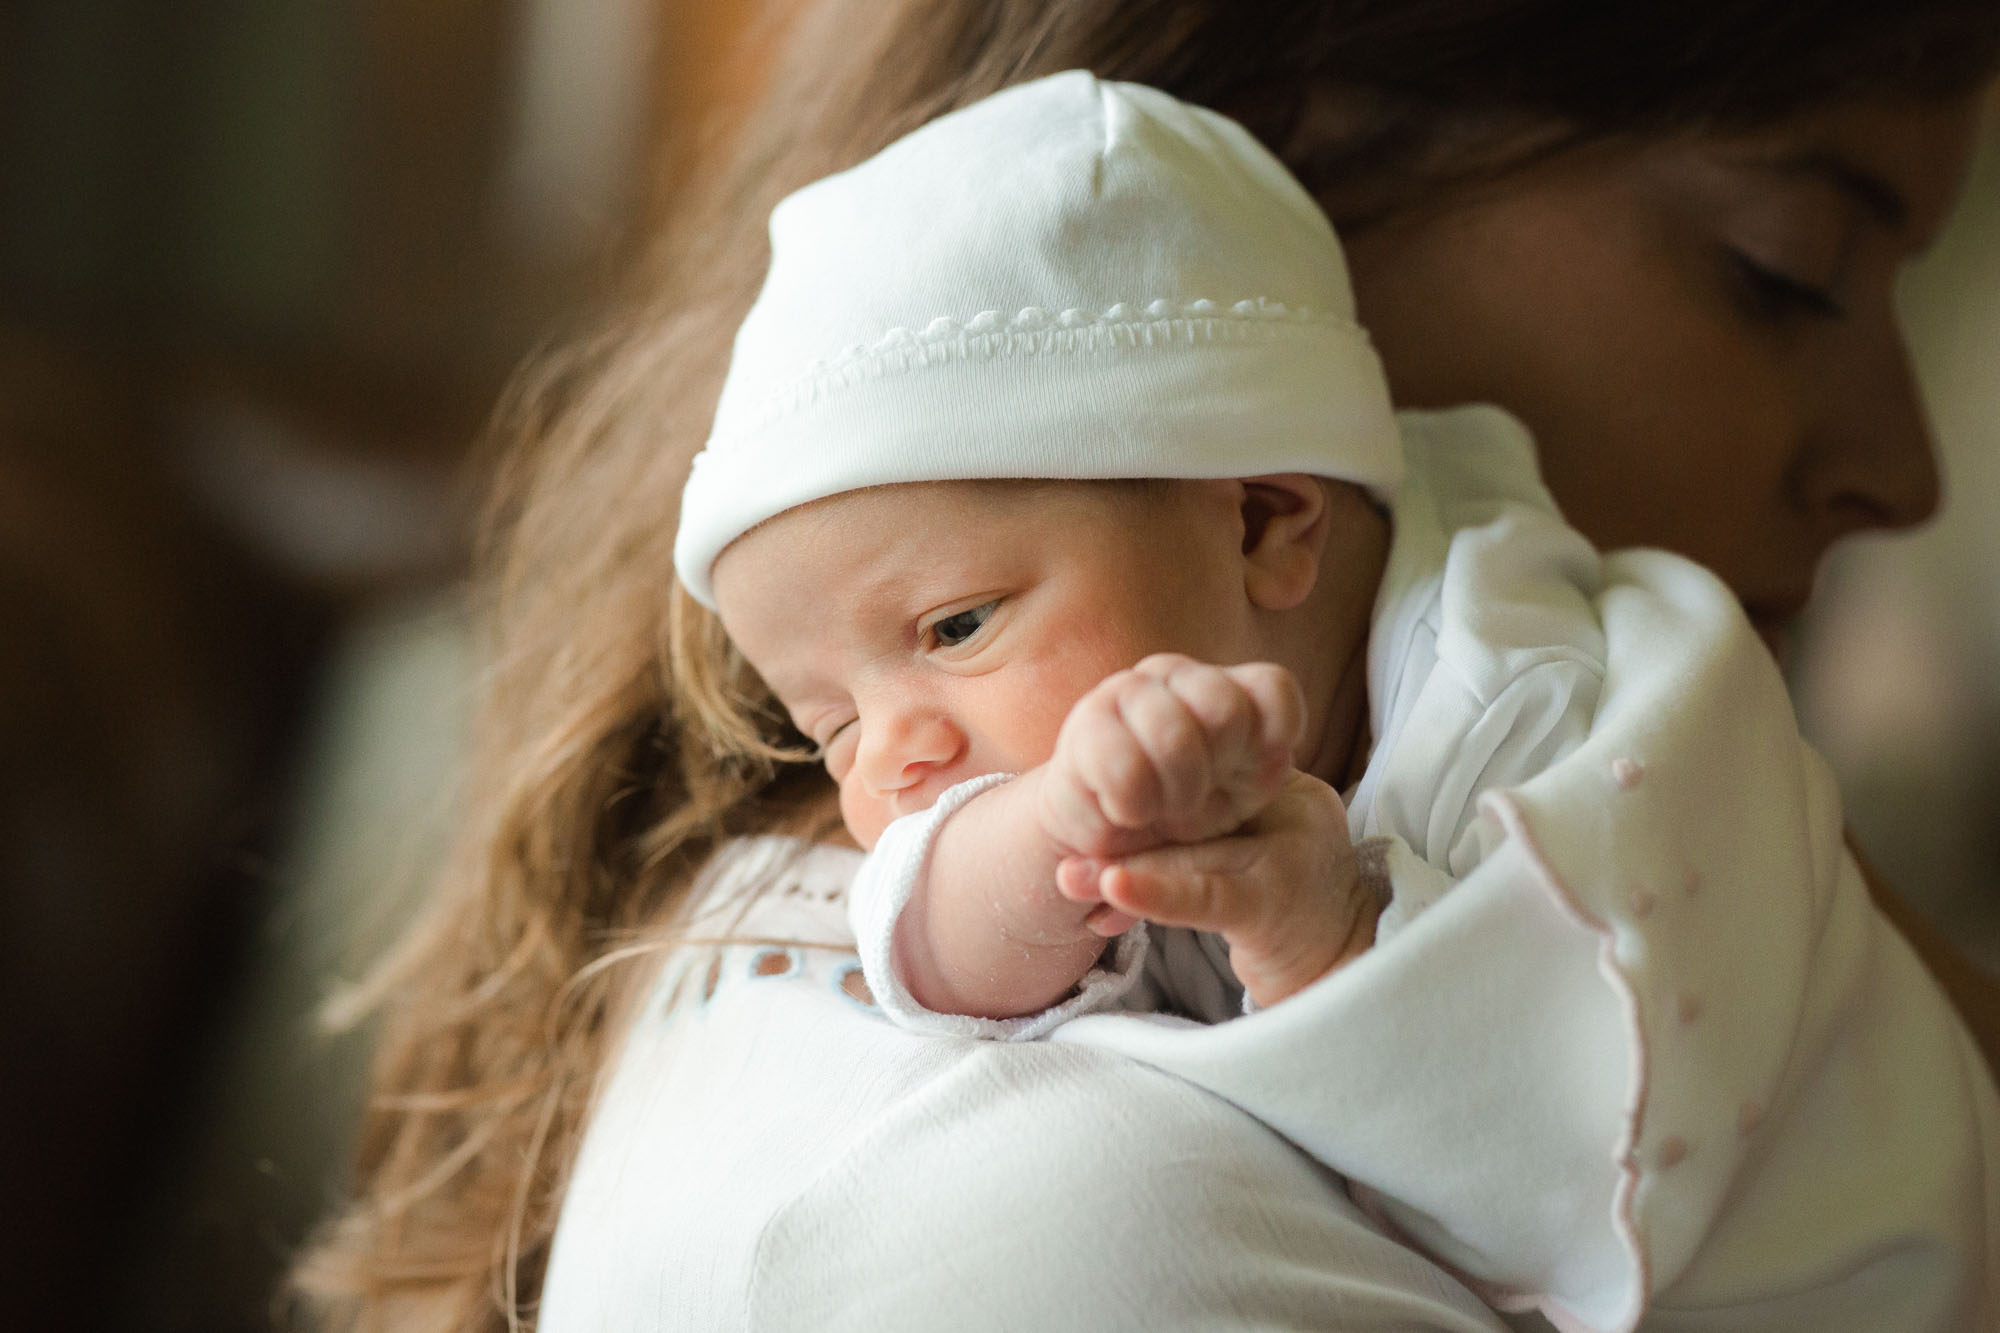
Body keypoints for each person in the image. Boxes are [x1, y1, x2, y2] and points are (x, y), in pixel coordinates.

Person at [288, 3, 2000, 1331]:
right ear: (1272, 159)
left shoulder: (1603, 767)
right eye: (1790, 271)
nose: (1904, 468)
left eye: (954, 632)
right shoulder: (1048, 1226)